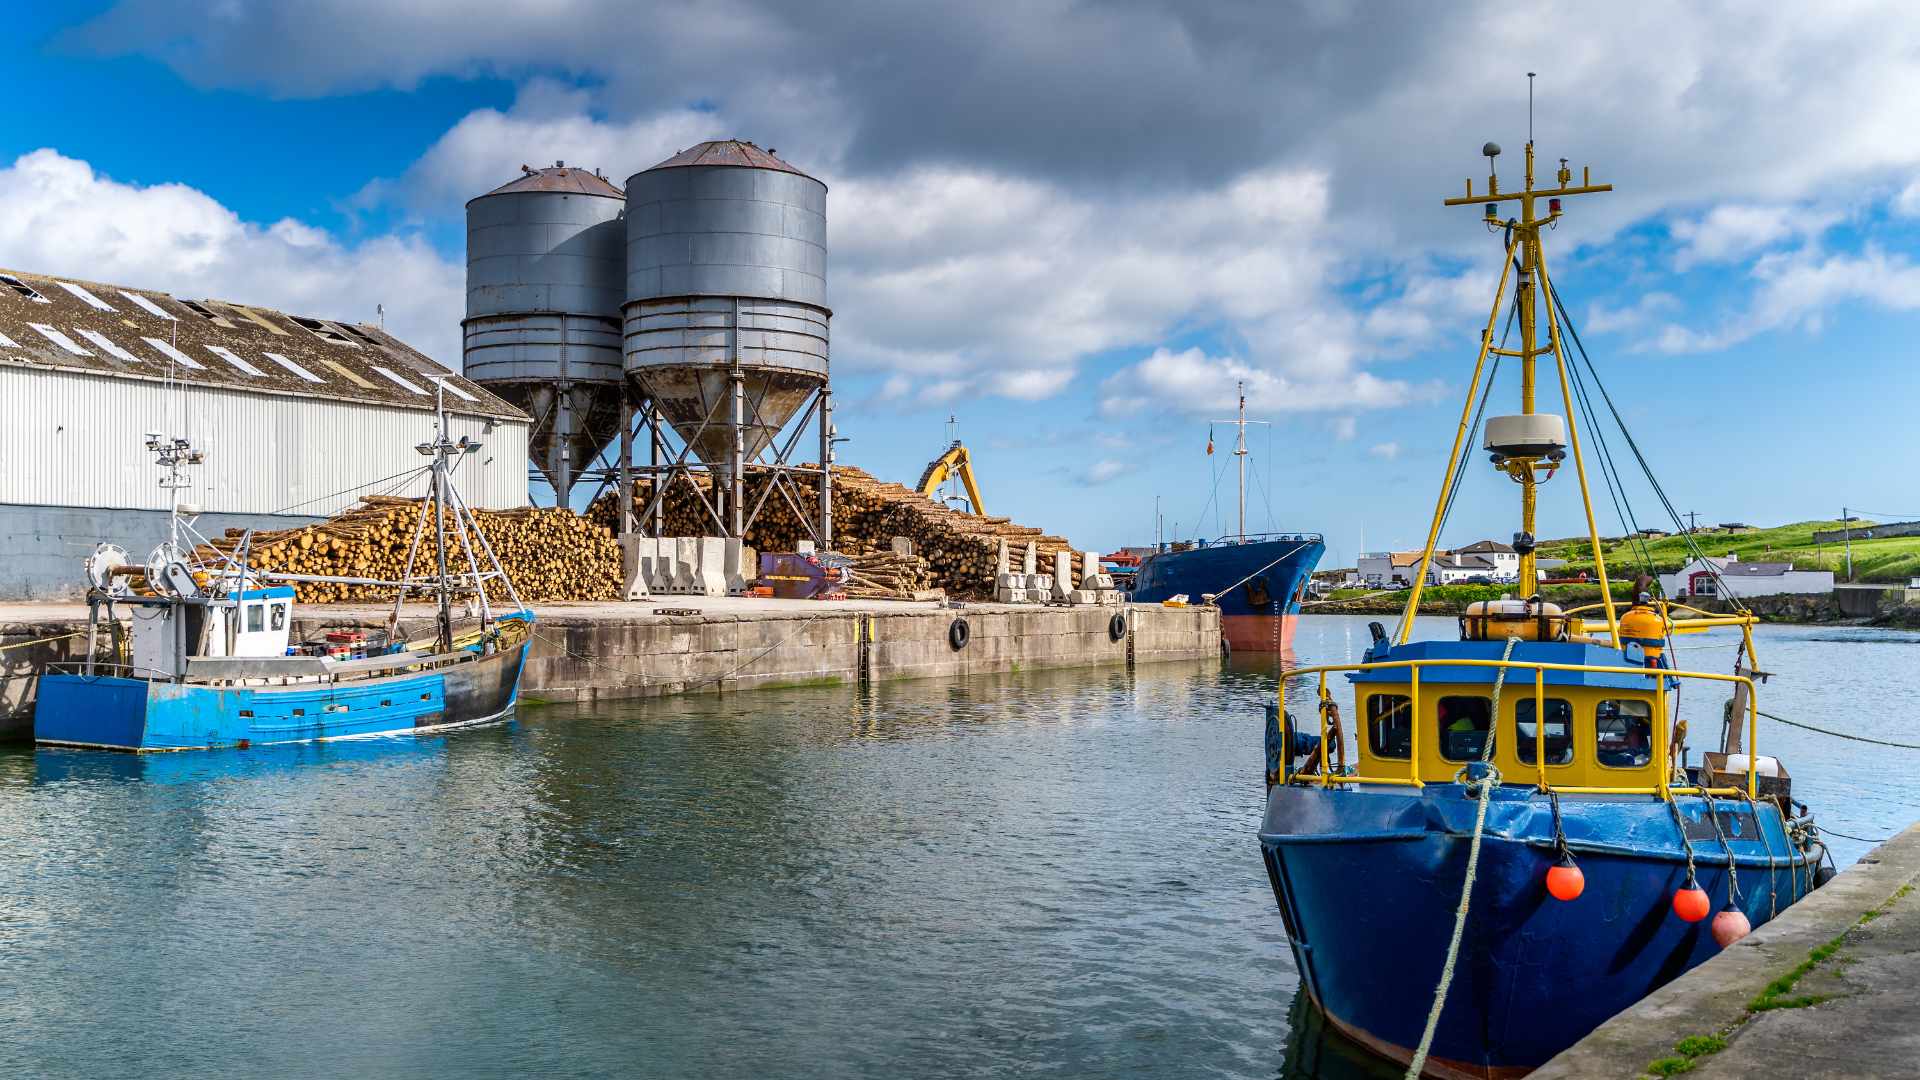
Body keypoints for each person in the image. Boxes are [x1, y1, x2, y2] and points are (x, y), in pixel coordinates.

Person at [1618, 591, 1667, 669]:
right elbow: (1664, 629)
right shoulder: (1656, 620)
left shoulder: (1625, 617)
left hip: (1626, 657)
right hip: (1652, 659)